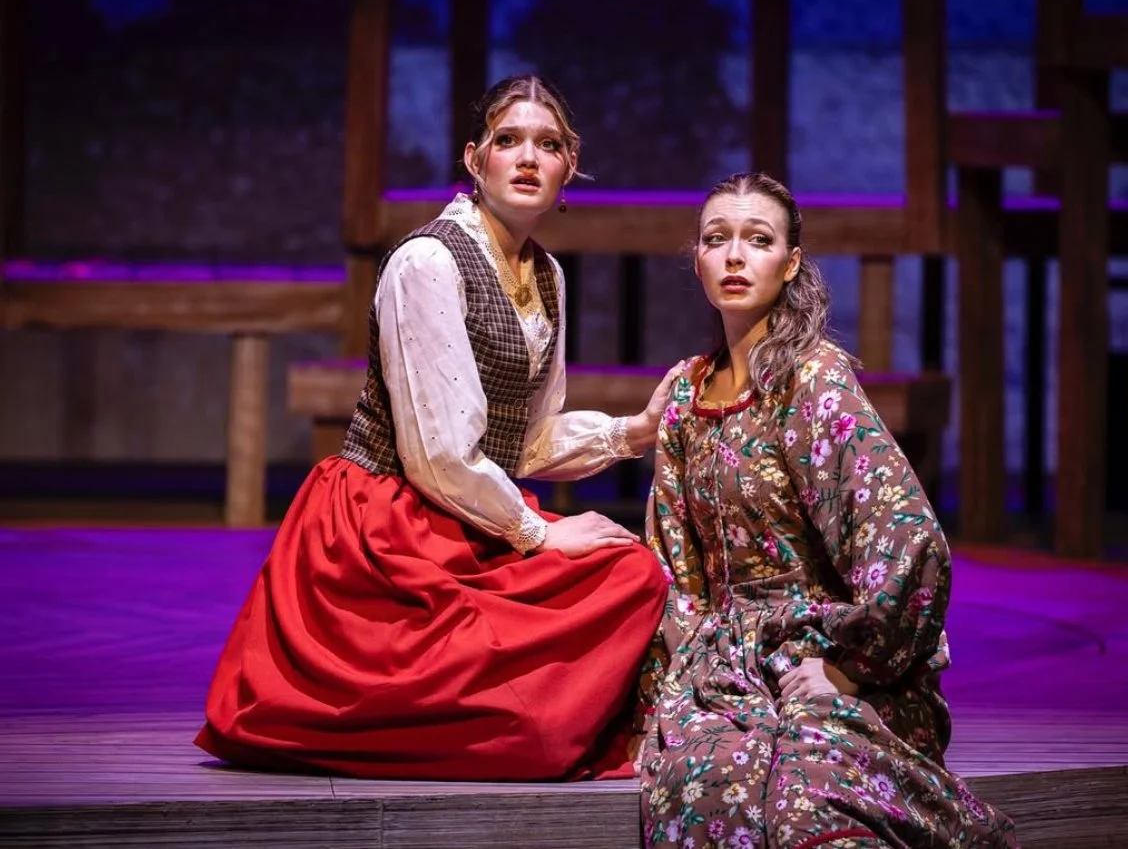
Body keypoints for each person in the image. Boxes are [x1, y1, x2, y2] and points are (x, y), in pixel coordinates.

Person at [196, 74, 676, 782]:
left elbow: (528, 438)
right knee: (537, 694)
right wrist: (542, 533)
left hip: (468, 511)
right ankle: (506, 726)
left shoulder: (546, 275)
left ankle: (533, 720)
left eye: (547, 145)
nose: (526, 158)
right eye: (507, 140)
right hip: (383, 526)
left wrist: (634, 432)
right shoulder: (427, 262)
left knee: (633, 572)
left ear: (568, 167)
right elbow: (439, 457)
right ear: (473, 159)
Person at [633, 172, 1019, 847]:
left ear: (789, 264)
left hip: (827, 655)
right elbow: (674, 567)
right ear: (695, 258)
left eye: (757, 240)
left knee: (811, 787)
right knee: (706, 781)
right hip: (725, 669)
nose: (733, 256)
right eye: (716, 239)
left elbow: (907, 535)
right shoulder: (685, 400)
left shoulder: (812, 380)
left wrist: (849, 665)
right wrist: (696, 672)